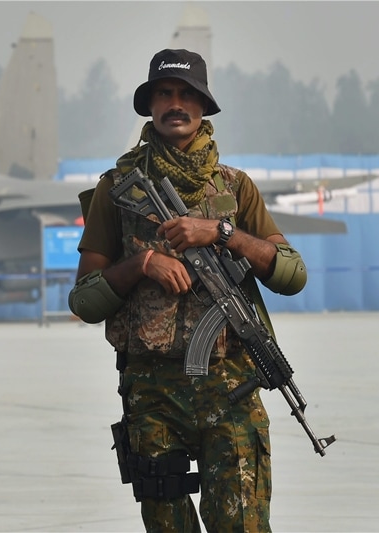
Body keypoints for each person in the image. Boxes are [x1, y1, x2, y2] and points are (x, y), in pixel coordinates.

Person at [68, 49, 308, 532]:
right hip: (152, 394)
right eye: (164, 93)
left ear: (203, 106)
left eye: (186, 94)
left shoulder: (236, 189)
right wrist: (141, 264)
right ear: (150, 105)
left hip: (233, 387)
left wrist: (221, 233)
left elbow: (292, 275)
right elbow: (84, 300)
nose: (175, 104)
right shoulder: (117, 190)